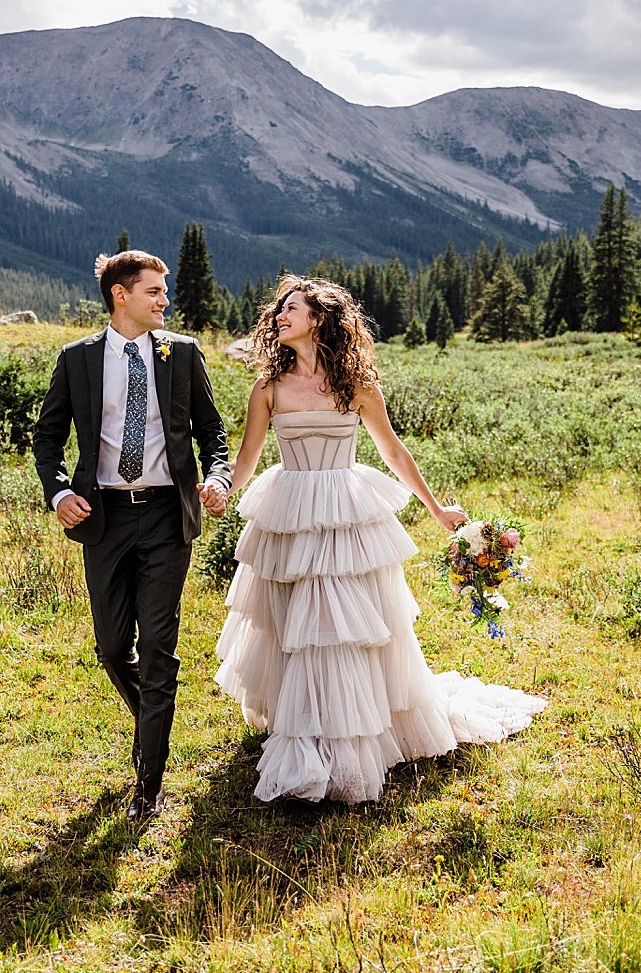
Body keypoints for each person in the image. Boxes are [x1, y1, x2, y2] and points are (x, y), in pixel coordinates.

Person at [212, 276, 545, 804]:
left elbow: (393, 452)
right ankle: (305, 723)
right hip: (290, 507)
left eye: (291, 309)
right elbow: (249, 456)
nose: (279, 316)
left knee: (343, 627)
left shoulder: (356, 385)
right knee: (295, 622)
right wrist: (223, 488)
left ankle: (340, 740)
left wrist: (437, 509)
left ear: (318, 319)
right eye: (278, 311)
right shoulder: (267, 386)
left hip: (345, 510)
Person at [33, 250, 233, 822]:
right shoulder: (77, 360)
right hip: (104, 517)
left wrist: (216, 477)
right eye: (153, 292)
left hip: (169, 519)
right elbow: (47, 438)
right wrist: (58, 492)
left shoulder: (183, 354)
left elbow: (212, 431)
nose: (163, 301)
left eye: (164, 292)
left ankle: (149, 783)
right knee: (112, 647)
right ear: (121, 295)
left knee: (159, 653)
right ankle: (152, 720)